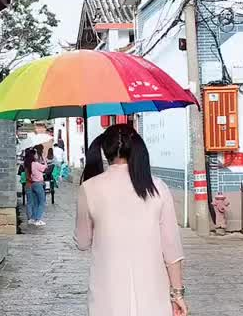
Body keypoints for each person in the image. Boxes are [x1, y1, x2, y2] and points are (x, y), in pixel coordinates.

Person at [75, 124, 188, 316]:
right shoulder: (157, 187)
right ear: (136, 148)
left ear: (105, 150)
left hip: (107, 294)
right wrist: (177, 294)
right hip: (152, 293)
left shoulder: (89, 188)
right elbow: (171, 248)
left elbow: (83, 242)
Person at [24, 148, 48, 226]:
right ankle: (38, 219)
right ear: (33, 155)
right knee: (42, 202)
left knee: (35, 202)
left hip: (33, 184)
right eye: (36, 154)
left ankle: (33, 218)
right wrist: (44, 159)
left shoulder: (29, 164)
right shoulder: (36, 164)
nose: (37, 155)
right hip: (38, 183)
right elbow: (45, 168)